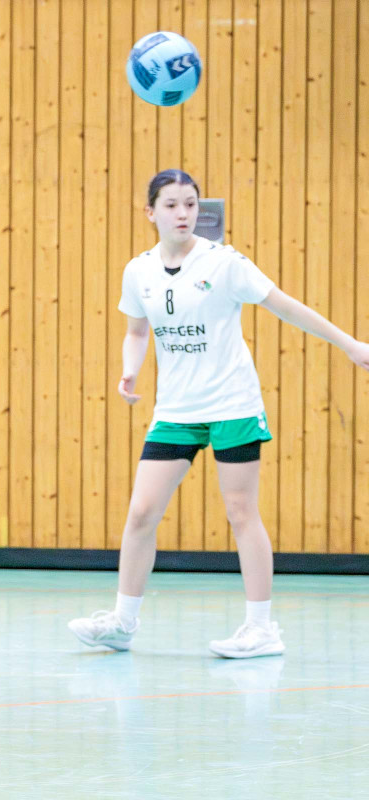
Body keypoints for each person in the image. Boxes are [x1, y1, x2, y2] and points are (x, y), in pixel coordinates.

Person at [69, 169, 369, 658]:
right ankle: (123, 622)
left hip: (232, 403)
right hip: (176, 409)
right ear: (150, 212)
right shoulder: (138, 271)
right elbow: (137, 331)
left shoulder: (225, 264)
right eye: (171, 205)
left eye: (190, 204)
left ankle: (261, 629)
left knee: (241, 511)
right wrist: (130, 371)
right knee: (142, 512)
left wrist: (349, 344)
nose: (183, 213)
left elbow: (285, 306)